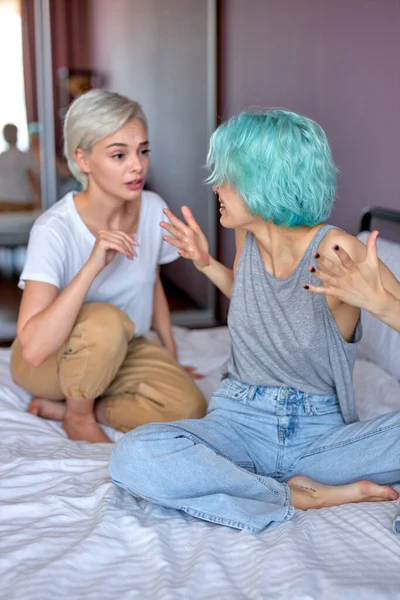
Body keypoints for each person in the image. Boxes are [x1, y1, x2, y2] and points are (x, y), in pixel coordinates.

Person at [109, 109, 400, 533]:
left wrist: (378, 303)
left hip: (318, 439)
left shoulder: (336, 249)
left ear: (263, 181)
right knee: (134, 454)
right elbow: (258, 305)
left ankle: (256, 488)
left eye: (227, 176)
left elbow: (383, 304)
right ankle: (294, 495)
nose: (215, 185)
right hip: (237, 423)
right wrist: (206, 264)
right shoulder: (248, 233)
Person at [10, 90, 206, 444]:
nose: (137, 165)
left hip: (122, 349)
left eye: (143, 151)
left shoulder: (152, 208)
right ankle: (77, 415)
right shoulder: (54, 229)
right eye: (119, 154)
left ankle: (90, 405)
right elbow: (35, 349)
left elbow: (153, 284)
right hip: (50, 361)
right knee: (106, 319)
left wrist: (170, 357)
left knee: (188, 407)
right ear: (82, 159)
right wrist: (91, 267)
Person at [0, 123, 39, 211]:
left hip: (2, 202)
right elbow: (31, 178)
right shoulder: (24, 156)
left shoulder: (1, 157)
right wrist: (40, 198)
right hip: (21, 202)